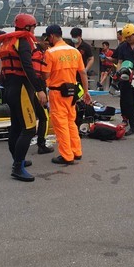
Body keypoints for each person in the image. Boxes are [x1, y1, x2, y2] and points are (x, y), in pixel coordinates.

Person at [0, 13, 47, 182]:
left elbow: (4, 70)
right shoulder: (24, 42)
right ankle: (18, 167)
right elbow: (27, 67)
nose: (34, 29)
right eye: (33, 26)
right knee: (29, 128)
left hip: (9, 87)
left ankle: (18, 160)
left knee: (16, 126)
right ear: (28, 28)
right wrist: (40, 89)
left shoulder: (8, 41)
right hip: (22, 89)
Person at [42, 24, 92, 165]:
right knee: (71, 122)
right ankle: (76, 151)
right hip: (72, 93)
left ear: (51, 36)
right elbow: (82, 72)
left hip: (57, 92)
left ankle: (66, 155)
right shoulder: (74, 51)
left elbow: (45, 75)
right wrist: (86, 92)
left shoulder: (50, 53)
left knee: (60, 124)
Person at [31, 33, 54, 154]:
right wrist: (40, 91)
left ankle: (39, 142)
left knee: (40, 117)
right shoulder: (38, 54)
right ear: (40, 41)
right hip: (37, 89)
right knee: (43, 118)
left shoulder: (39, 52)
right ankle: (41, 145)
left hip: (36, 88)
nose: (46, 45)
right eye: (45, 43)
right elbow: (36, 75)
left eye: (48, 43)